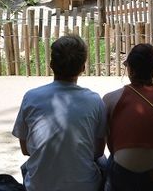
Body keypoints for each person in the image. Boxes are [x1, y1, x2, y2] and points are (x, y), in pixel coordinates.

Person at [12, 35, 107, 191]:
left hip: (38, 187)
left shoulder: (32, 97)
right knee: (104, 162)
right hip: (85, 187)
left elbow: (25, 149)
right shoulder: (95, 101)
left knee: (27, 167)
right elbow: (98, 151)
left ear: (51, 65)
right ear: (83, 67)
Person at [103, 43, 153, 191]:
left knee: (111, 159)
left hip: (122, 177)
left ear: (130, 69)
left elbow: (111, 147)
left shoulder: (110, 99)